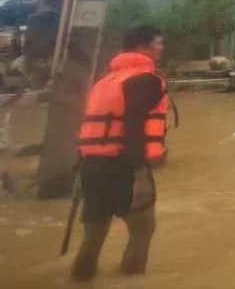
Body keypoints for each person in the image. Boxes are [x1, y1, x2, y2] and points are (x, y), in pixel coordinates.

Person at [71, 24, 168, 282]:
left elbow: (88, 126)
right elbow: (133, 127)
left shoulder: (104, 80)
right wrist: (141, 176)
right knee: (143, 229)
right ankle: (132, 280)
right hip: (124, 166)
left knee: (93, 237)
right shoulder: (145, 80)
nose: (161, 49)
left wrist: (81, 167)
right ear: (142, 47)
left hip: (92, 166)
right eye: (158, 43)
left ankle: (79, 279)